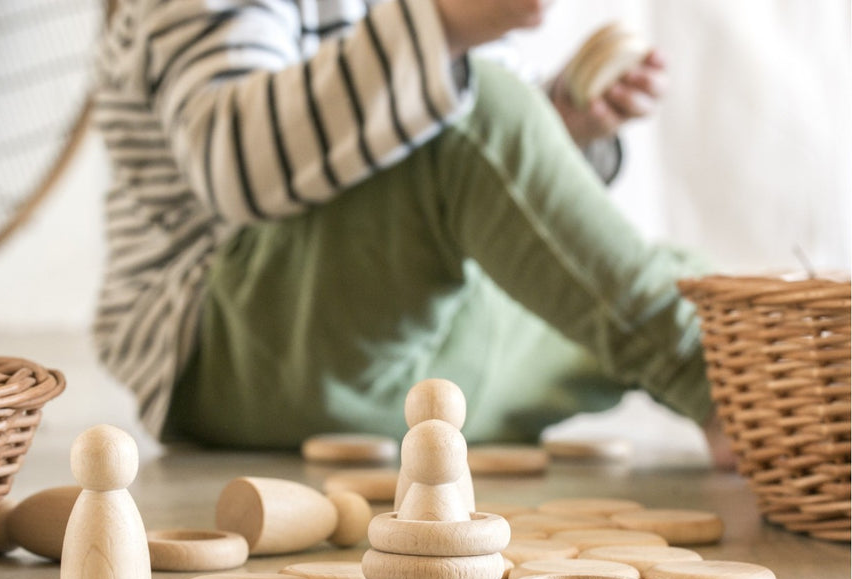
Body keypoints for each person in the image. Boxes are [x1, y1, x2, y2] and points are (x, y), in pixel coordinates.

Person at [90, 0, 733, 468]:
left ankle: (735, 366)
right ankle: (720, 389)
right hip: (238, 348)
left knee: (693, 281)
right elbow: (233, 162)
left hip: (411, 368)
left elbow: (489, 192)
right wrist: (440, 31)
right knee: (478, 107)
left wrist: (560, 118)